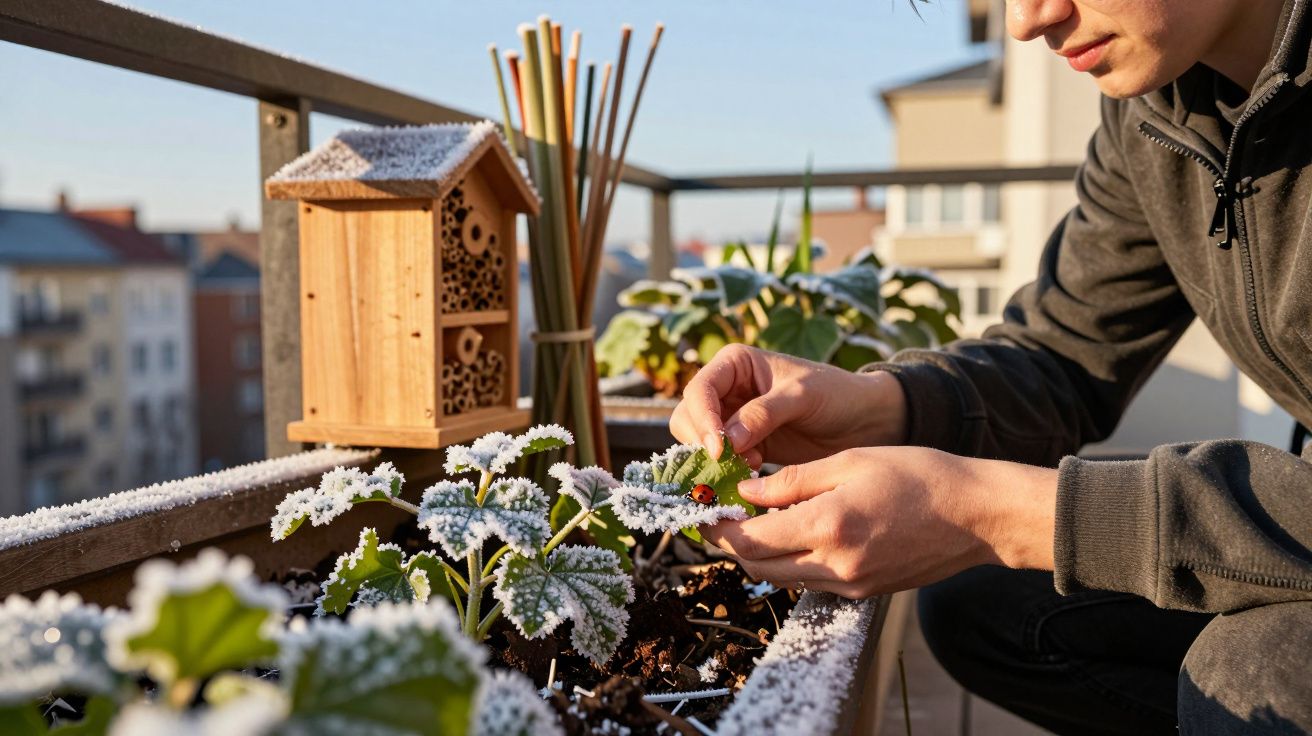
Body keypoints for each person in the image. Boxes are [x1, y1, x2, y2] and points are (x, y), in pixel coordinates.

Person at [669, 1, 1312, 732]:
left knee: (1256, 673)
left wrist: (991, 512)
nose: (1026, 20)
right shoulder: (1158, 113)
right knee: (983, 606)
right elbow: (1066, 352)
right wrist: (883, 403)